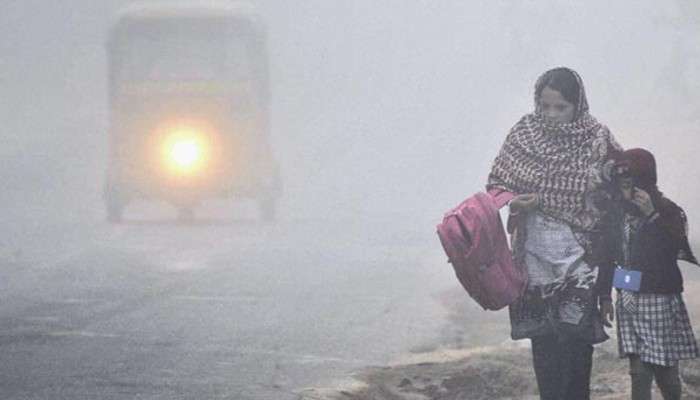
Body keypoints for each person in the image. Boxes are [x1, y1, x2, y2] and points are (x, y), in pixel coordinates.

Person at [487, 67, 622, 400]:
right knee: (545, 351)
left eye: (560, 107)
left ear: (578, 104)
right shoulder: (524, 134)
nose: (551, 115)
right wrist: (516, 200)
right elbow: (496, 186)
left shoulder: (598, 139)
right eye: (545, 107)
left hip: (582, 264)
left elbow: (620, 195)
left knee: (577, 351)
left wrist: (611, 283)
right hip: (533, 265)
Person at [613, 148, 699, 400]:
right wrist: (606, 295)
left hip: (659, 297)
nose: (625, 184)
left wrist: (651, 215)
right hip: (629, 297)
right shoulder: (617, 213)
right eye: (621, 179)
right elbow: (611, 258)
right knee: (637, 370)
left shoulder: (668, 210)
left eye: (631, 178)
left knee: (665, 368)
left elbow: (671, 250)